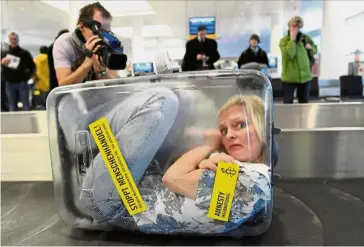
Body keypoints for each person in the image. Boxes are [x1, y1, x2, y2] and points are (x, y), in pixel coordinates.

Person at [77, 89, 271, 234]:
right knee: (182, 104)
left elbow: (172, 179)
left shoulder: (251, 182)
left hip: (119, 200)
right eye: (224, 130)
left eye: (240, 125)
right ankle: (88, 139)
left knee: (164, 100)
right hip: (132, 186)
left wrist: (209, 146)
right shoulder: (240, 170)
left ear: (261, 126)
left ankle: (81, 131)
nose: (229, 136)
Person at [53, 2, 118, 86]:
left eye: (106, 31)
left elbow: (113, 86)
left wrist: (102, 72)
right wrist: (87, 63)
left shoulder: (108, 43)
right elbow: (63, 85)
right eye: (97, 30)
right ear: (82, 27)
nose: (102, 37)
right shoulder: (65, 43)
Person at [279, 16, 317, 104]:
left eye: (297, 26)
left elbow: (314, 50)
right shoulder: (283, 41)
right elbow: (290, 54)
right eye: (293, 26)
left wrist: (311, 48)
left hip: (305, 77)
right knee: (288, 103)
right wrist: (292, 40)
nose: (295, 28)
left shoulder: (305, 38)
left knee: (304, 103)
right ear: (289, 26)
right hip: (289, 78)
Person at [1, 32, 35, 111]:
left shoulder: (24, 53)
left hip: (22, 82)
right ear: (9, 40)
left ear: (18, 39)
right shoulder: (4, 53)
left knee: (26, 105)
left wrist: (27, 77)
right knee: (12, 106)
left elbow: (32, 66)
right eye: (11, 39)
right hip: (9, 82)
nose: (13, 41)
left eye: (15, 39)